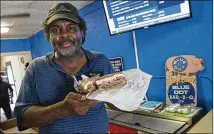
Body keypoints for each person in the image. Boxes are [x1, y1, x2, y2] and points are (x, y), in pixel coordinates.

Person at [14, 3, 115, 133]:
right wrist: (63, 109)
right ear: (49, 37)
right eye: (55, 30)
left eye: (71, 28)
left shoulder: (101, 61)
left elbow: (114, 100)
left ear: (82, 32)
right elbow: (22, 119)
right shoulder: (36, 68)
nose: (63, 34)